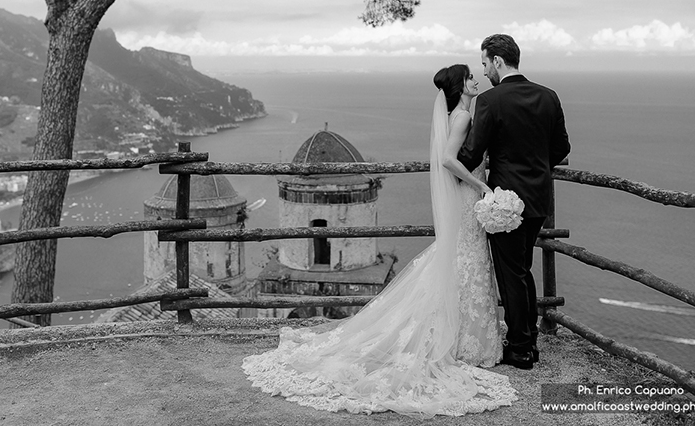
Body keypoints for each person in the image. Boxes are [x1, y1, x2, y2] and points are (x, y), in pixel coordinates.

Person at [240, 65, 517, 418]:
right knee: (467, 263)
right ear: (460, 85)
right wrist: (481, 186)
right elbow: (449, 159)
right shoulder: (462, 116)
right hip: (468, 197)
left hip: (465, 200)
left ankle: (461, 336)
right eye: (469, 77)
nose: (475, 80)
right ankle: (464, 340)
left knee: (462, 264)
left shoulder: (458, 113)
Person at [458, 34, 571, 370]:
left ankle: (520, 348)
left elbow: (473, 151)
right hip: (538, 198)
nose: (484, 71)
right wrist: (537, 169)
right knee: (522, 269)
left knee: (511, 274)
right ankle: (529, 340)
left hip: (505, 201)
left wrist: (447, 156)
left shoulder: (491, 100)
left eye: (484, 63)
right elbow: (561, 148)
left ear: (496, 61)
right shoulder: (548, 96)